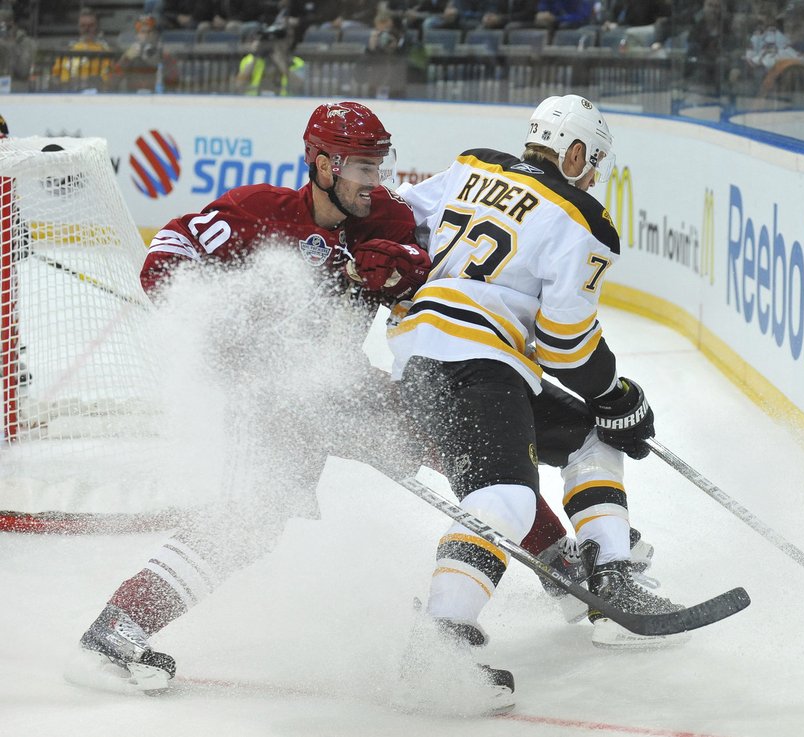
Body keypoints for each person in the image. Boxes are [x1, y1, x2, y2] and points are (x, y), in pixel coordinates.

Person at [63, 100, 427, 696]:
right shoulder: (262, 211)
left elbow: (413, 282)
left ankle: (556, 568)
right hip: (267, 396)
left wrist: (400, 275)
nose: (375, 180)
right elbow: (169, 256)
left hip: (346, 383)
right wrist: (224, 334)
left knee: (461, 447)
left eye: (378, 165)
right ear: (322, 164)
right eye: (362, 167)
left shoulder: (383, 218)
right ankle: (116, 632)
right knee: (248, 524)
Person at [385, 93, 684, 713]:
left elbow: (393, 225)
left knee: (587, 435)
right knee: (505, 500)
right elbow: (567, 344)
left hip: (419, 359)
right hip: (481, 367)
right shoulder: (582, 217)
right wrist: (616, 393)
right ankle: (437, 645)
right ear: (574, 153)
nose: (594, 174)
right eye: (593, 161)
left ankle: (611, 576)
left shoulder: (473, 167)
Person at [110, 14, 180, 93]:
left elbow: (174, 84)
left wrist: (163, 59)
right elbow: (111, 84)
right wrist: (125, 59)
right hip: (134, 100)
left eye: (150, 31)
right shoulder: (128, 56)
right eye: (142, 32)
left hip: (158, 100)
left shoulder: (165, 55)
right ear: (136, 36)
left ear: (156, 35)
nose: (146, 36)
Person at [235, 24, 306, 95]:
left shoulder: (297, 62)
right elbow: (239, 86)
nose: (273, 43)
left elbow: (299, 86)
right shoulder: (249, 60)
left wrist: (280, 61)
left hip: (284, 103)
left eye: (278, 40)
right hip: (254, 102)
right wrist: (256, 55)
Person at [51, 8, 112, 88]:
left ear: (96, 26)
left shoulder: (105, 51)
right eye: (83, 26)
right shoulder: (68, 50)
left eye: (91, 25)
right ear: (78, 27)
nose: (87, 29)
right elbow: (55, 76)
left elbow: (107, 80)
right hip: (68, 94)